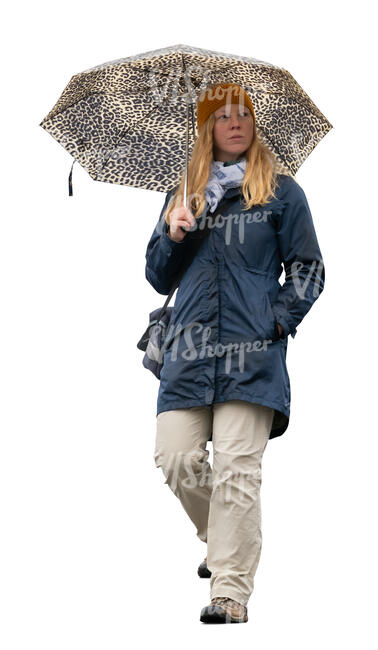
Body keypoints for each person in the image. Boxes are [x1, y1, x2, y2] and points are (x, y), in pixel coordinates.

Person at [144, 83, 325, 623]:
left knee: (237, 473)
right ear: (208, 129)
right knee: (175, 457)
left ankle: (230, 592)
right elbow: (156, 278)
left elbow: (310, 270)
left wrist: (277, 319)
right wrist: (173, 234)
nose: (235, 122)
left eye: (243, 113)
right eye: (222, 116)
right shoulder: (184, 191)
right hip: (188, 353)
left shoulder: (282, 193)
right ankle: (220, 538)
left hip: (254, 355)